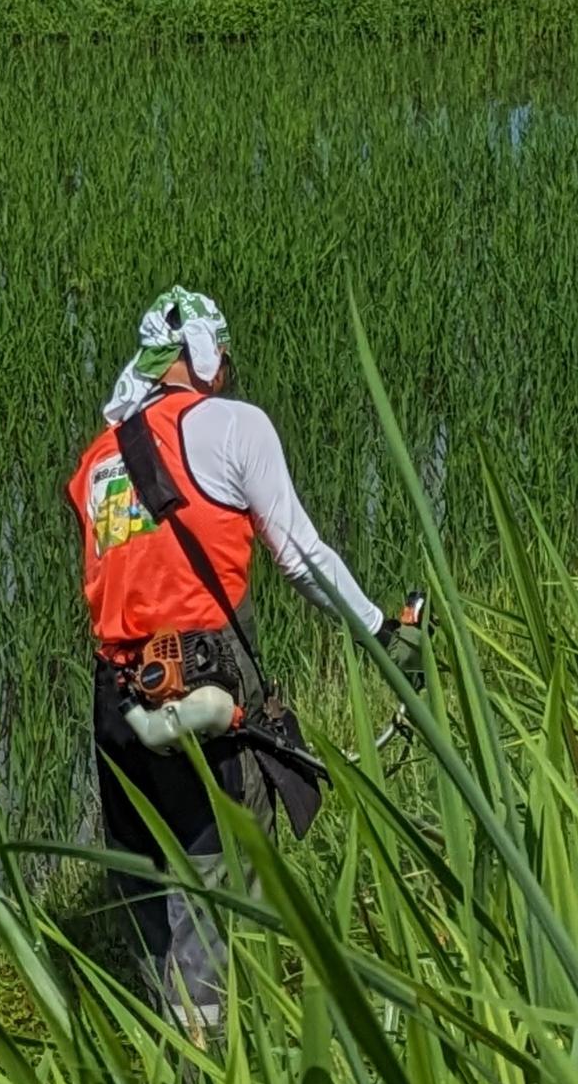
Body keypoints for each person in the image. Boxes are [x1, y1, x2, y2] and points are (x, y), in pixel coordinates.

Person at [67, 286, 420, 1036]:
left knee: (142, 870)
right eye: (222, 358)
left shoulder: (97, 461)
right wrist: (382, 634)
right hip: (198, 682)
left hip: (117, 693)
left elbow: (116, 580)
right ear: (202, 354)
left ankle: (156, 1042)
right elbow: (299, 557)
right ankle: (212, 1068)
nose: (225, 373)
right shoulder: (231, 426)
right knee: (214, 863)